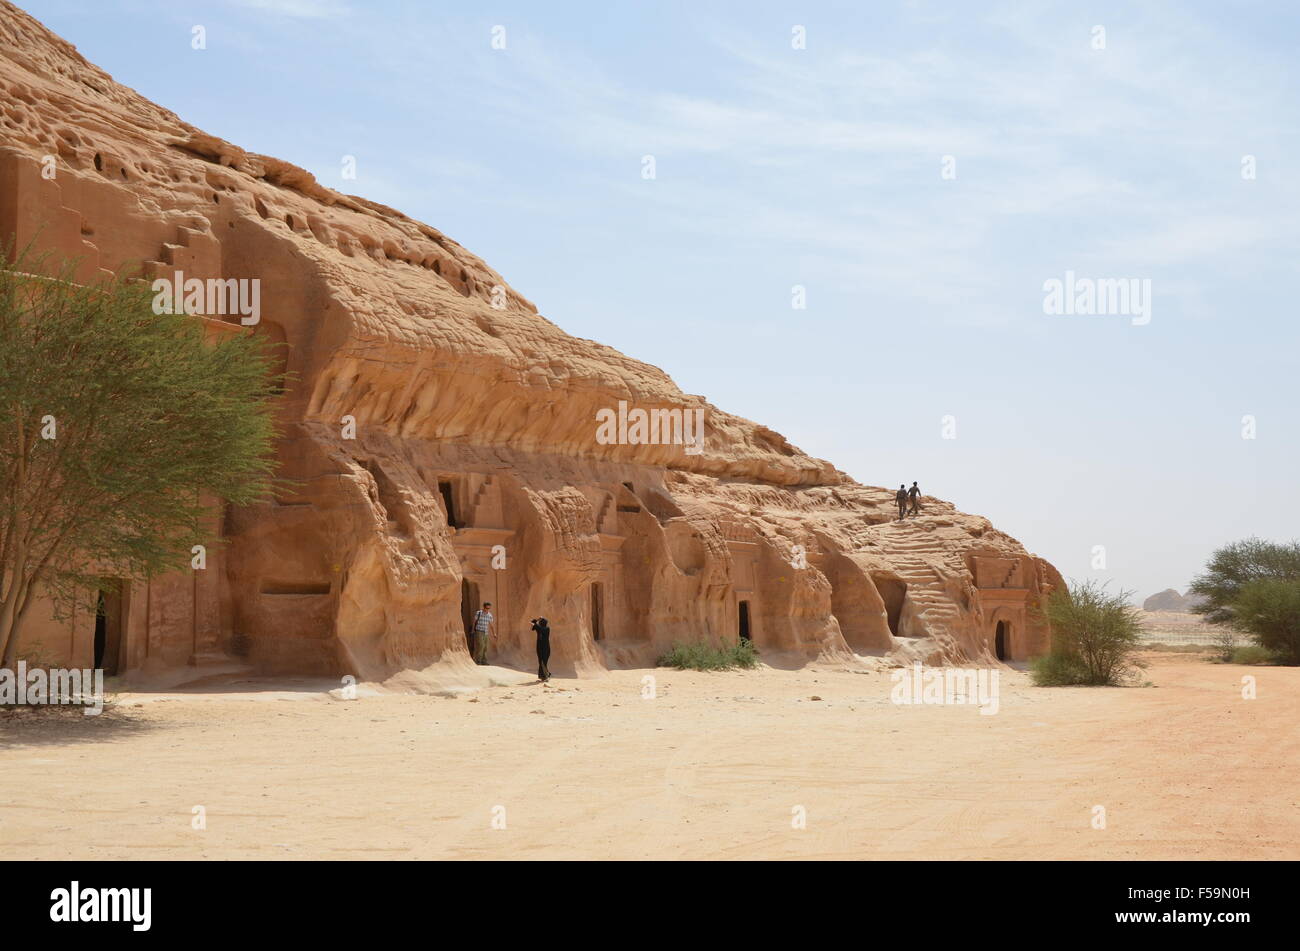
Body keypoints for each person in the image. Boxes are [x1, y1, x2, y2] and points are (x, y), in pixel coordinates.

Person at [531, 617, 552, 682]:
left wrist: (536, 622)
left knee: (543, 662)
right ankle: (544, 676)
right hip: (540, 648)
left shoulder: (546, 629)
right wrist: (538, 619)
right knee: (541, 662)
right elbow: (532, 623)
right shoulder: (539, 628)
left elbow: (537, 626)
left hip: (546, 648)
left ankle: (546, 676)